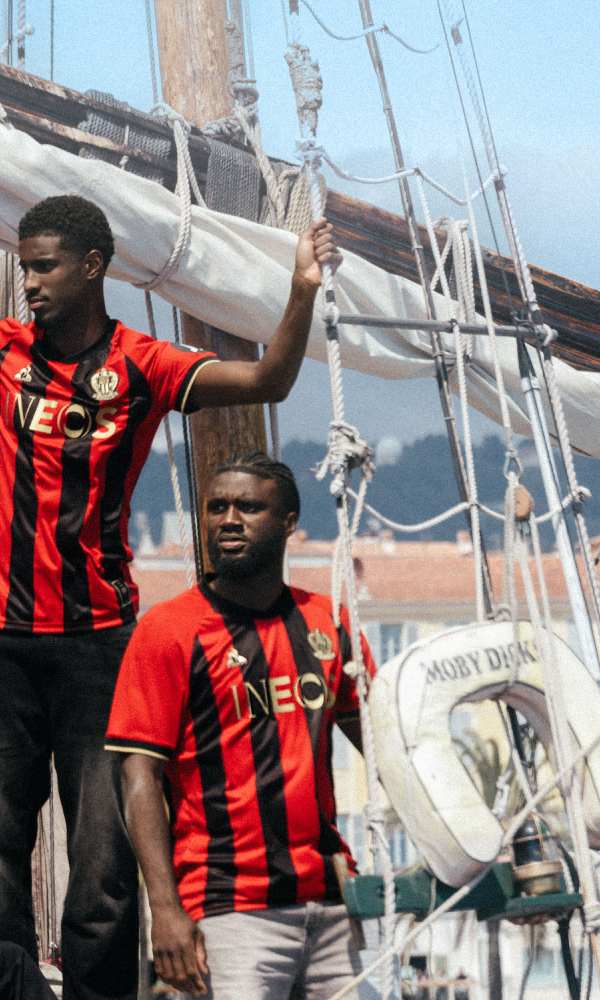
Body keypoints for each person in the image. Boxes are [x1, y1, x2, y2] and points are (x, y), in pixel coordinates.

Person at [0, 196, 339, 1000]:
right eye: (24, 268)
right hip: (3, 644)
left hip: (100, 648)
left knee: (103, 873)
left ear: (93, 267)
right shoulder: (4, 351)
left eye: (44, 266)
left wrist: (301, 290)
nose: (30, 282)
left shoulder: (143, 365)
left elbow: (268, 380)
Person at [106, 453, 376, 1000]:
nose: (229, 520)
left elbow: (388, 747)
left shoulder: (331, 624)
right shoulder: (168, 630)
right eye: (217, 508)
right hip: (229, 907)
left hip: (331, 897)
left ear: (289, 521)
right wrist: (165, 909)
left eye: (248, 508)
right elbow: (139, 777)